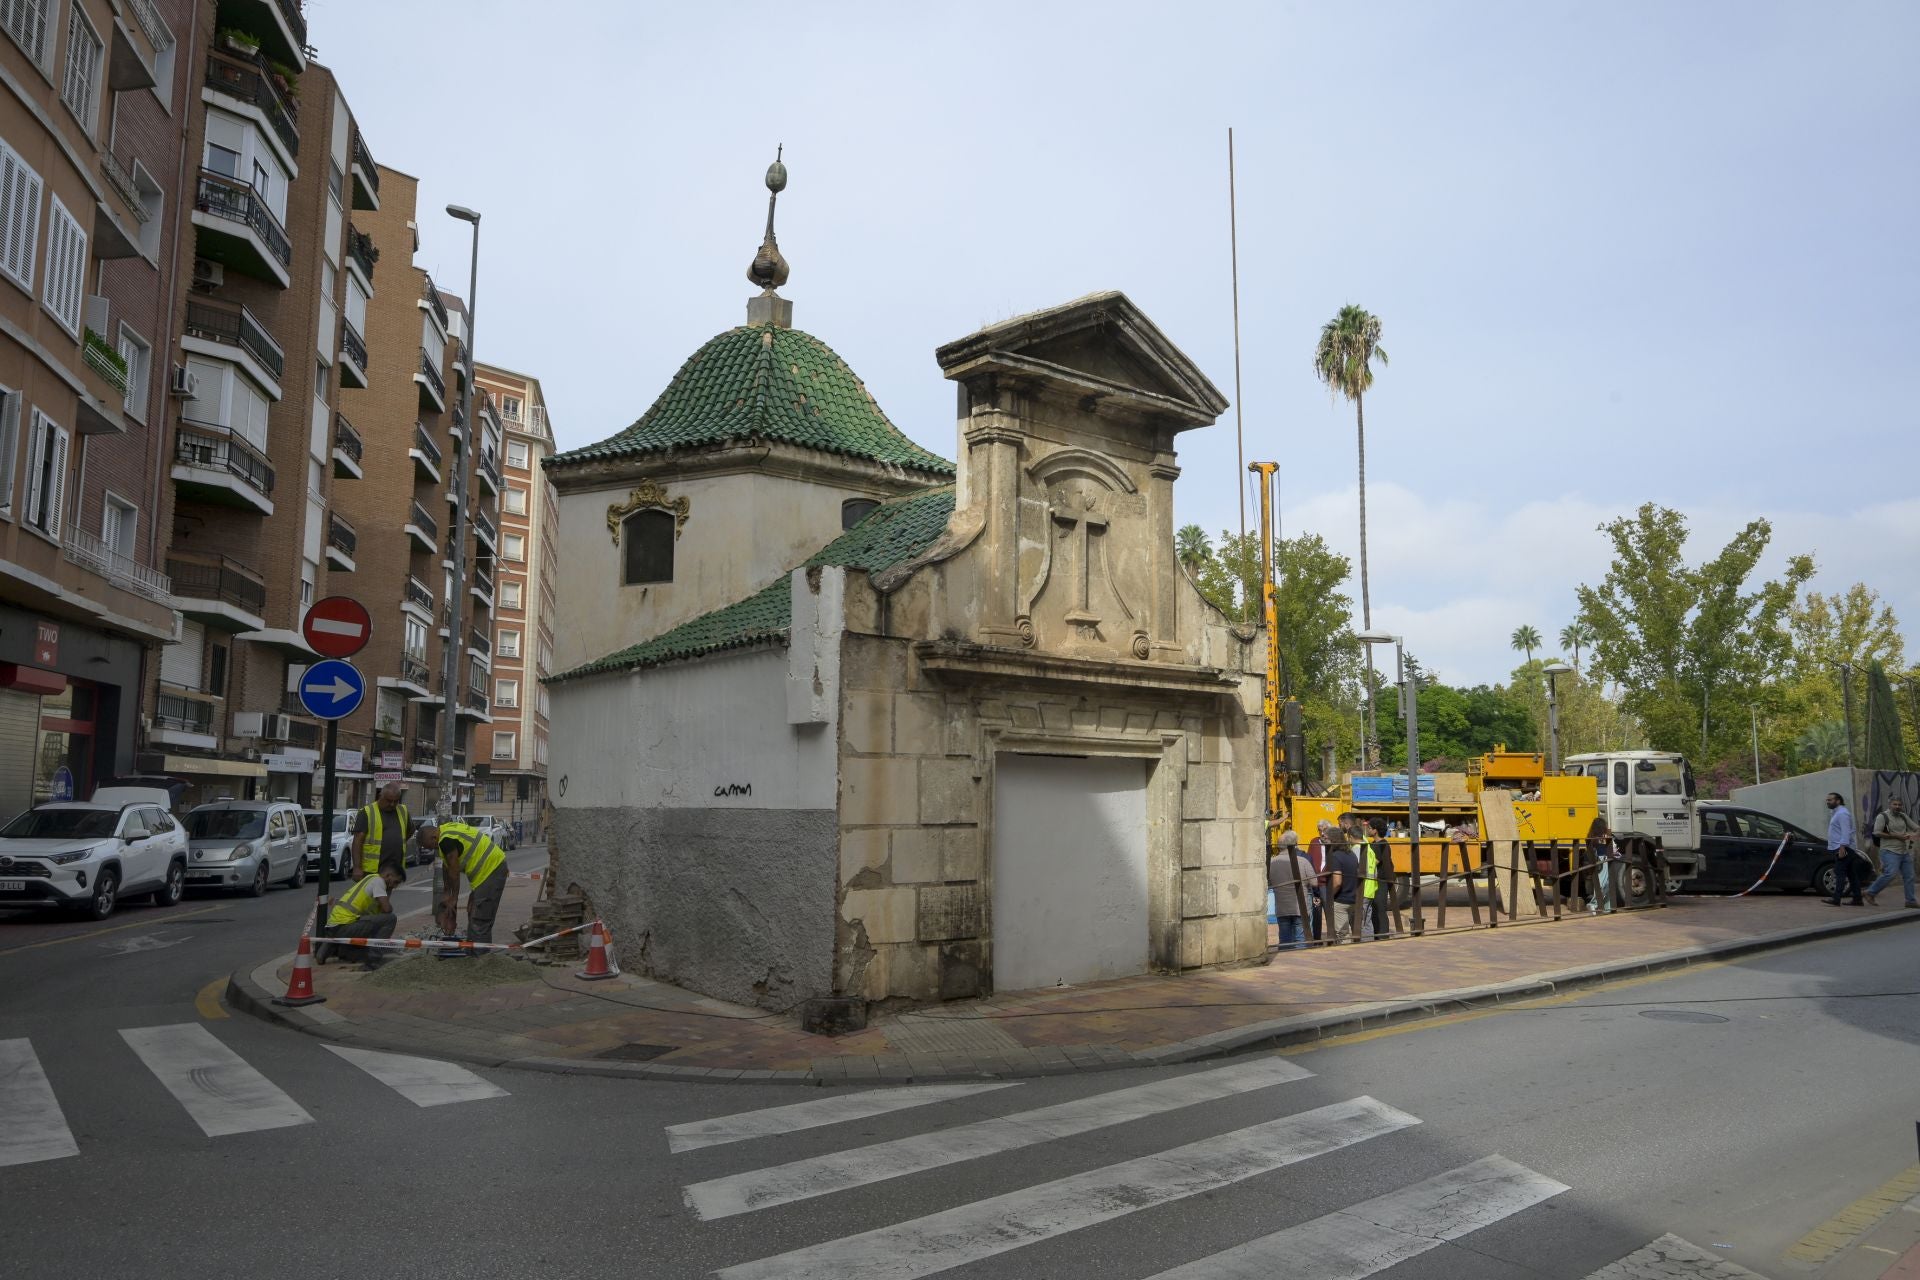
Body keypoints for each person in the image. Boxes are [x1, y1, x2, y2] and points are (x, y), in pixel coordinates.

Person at [418, 819, 507, 945]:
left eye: (431, 846)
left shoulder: (446, 840)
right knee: (472, 911)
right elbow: (447, 869)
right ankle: (473, 951)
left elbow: (454, 873)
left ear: (433, 837)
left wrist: (454, 898)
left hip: (492, 869)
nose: (433, 849)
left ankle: (480, 955)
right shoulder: (445, 830)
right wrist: (447, 894)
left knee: (479, 920)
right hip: (485, 874)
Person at [317, 863, 405, 967]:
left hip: (333, 926)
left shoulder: (370, 878)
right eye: (395, 882)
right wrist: (388, 897)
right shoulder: (378, 882)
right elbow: (387, 909)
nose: (395, 886)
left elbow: (375, 915)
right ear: (388, 875)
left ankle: (330, 950)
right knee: (390, 919)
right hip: (345, 926)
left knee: (375, 927)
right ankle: (373, 960)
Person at [1863, 797, 1918, 908]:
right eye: (1895, 804)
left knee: (1909, 876)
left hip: (1904, 851)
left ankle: (1910, 901)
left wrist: (1913, 835)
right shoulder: (1883, 816)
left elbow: (1916, 828)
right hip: (1889, 851)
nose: (1897, 807)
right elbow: (1877, 832)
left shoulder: (1903, 816)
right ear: (1890, 805)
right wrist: (1896, 836)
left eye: (1899, 805)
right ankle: (1870, 892)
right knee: (1890, 873)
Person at [349, 783, 411, 877]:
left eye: (396, 801)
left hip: (394, 869)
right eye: (389, 800)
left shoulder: (403, 810)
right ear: (380, 796)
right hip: (372, 870)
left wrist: (397, 841)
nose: (392, 804)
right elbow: (357, 840)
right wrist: (357, 867)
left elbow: (410, 830)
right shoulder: (367, 812)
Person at [1267, 830, 1315, 950]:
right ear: (1295, 844)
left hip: (1282, 907)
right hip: (1300, 907)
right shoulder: (1303, 861)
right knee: (1300, 939)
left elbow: (1268, 883)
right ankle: (1299, 960)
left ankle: (1285, 958)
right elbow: (1314, 882)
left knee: (1284, 940)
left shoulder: (1271, 863)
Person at [1822, 792, 1865, 906]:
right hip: (1843, 847)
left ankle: (1836, 899)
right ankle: (1857, 899)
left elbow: (1846, 832)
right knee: (1851, 874)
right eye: (1827, 800)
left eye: (1830, 800)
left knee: (1839, 872)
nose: (1828, 802)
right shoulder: (1836, 813)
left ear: (1838, 801)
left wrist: (1842, 848)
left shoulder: (1842, 813)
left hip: (1843, 848)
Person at [1324, 816, 1362, 942]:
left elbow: (1337, 882)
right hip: (1353, 898)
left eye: (1326, 838)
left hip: (1340, 900)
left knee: (1342, 934)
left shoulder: (1335, 856)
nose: (1323, 841)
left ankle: (1345, 953)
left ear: (1333, 840)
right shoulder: (1351, 854)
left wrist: (1330, 895)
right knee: (1355, 933)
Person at [1364, 817, 1395, 939]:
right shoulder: (1373, 844)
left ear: (1375, 830)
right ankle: (1377, 933)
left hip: (1381, 880)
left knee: (1380, 907)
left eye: (1369, 828)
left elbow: (1374, 862)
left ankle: (1382, 934)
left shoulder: (1381, 845)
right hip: (1374, 880)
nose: (1368, 830)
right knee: (1374, 907)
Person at [1585, 817, 1618, 915]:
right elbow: (1612, 847)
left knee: (1605, 883)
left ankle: (1606, 907)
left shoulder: (1591, 836)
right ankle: (1594, 903)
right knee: (1604, 883)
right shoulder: (1602, 837)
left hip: (1598, 860)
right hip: (1604, 860)